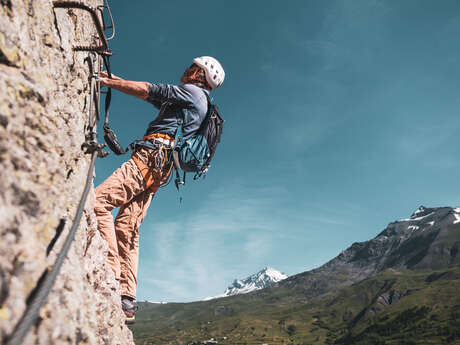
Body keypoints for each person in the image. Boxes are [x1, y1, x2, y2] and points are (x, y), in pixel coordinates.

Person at [94, 56, 225, 323]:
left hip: (149, 158)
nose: (187, 70)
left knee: (97, 203)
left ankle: (109, 274)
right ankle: (127, 298)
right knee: (127, 227)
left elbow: (148, 89)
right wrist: (115, 80)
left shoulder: (192, 93)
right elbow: (150, 97)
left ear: (201, 75)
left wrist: (105, 81)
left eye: (193, 68)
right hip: (161, 168)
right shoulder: (196, 102)